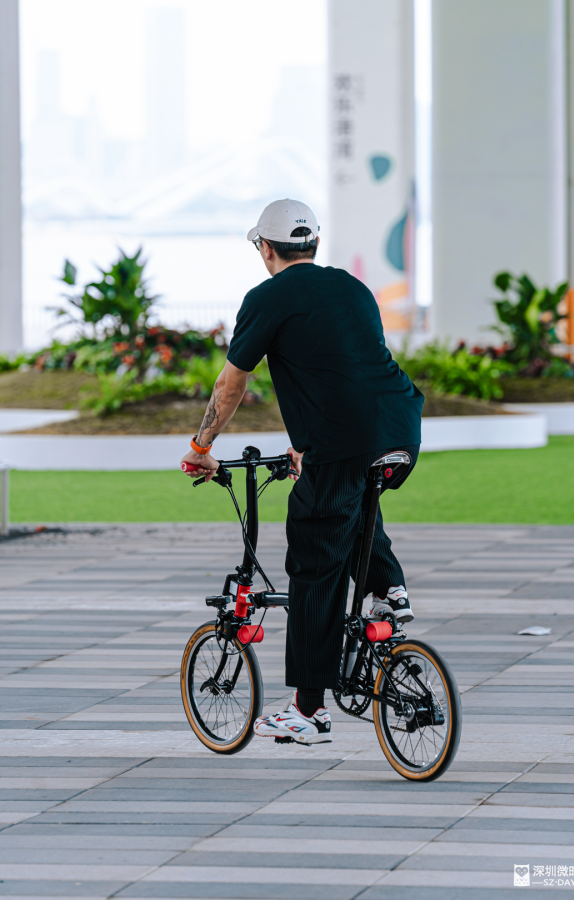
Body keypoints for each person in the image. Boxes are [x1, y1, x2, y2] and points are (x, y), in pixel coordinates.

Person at [180, 198, 423, 745]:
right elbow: (340, 368)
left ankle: (308, 711)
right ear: (313, 244)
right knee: (353, 508)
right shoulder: (354, 288)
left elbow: (230, 385)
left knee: (314, 549)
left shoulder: (267, 297)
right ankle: (391, 591)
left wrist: (201, 446)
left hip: (345, 442)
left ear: (266, 249)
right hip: (400, 428)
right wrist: (306, 446)